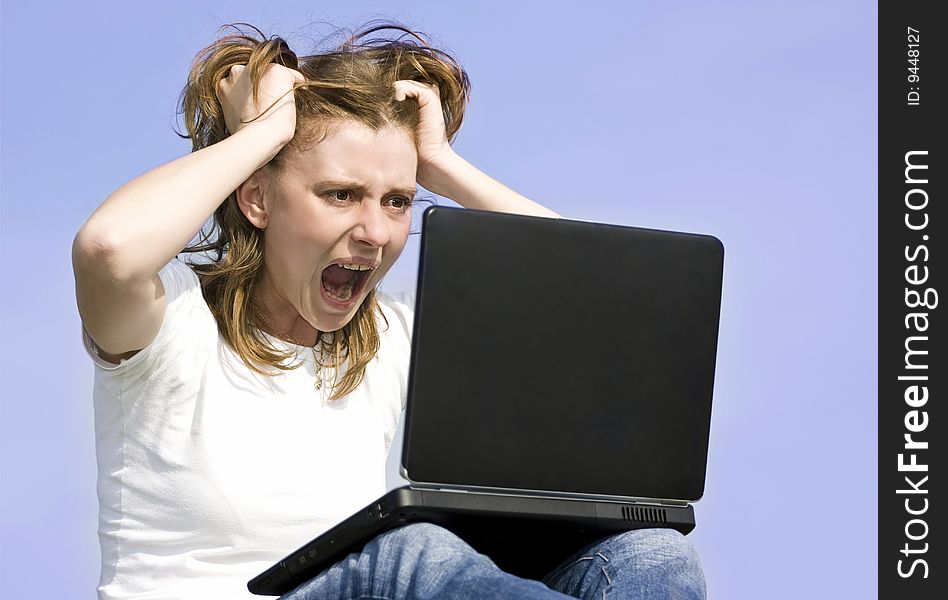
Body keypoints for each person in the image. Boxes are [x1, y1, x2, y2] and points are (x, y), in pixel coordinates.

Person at [72, 21, 707, 600]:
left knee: (650, 558)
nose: (374, 232)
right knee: (407, 554)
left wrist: (442, 166)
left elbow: (598, 296)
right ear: (257, 198)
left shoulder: (392, 334)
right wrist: (264, 133)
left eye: (399, 201)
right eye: (341, 194)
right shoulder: (172, 321)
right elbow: (109, 249)